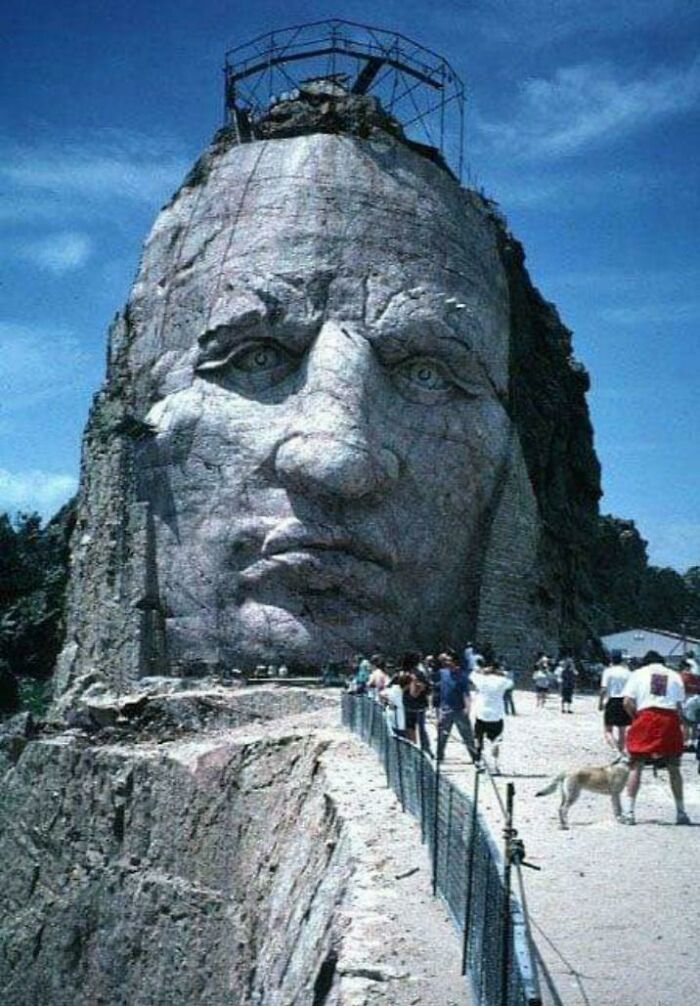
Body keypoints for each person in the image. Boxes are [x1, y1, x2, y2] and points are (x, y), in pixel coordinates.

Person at [621, 651, 690, 825]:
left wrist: (636, 718)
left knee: (636, 766)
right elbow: (678, 706)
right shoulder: (674, 675)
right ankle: (681, 812)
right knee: (674, 768)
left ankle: (629, 812)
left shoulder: (638, 674)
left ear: (645, 662)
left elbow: (627, 702)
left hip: (646, 716)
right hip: (669, 719)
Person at [469, 659, 511, 774]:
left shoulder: (481, 679)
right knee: (495, 742)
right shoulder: (502, 681)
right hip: (496, 714)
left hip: (481, 713)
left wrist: (482, 671)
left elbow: (472, 674)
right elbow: (510, 682)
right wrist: (500, 673)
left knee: (478, 739)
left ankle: (479, 763)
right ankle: (494, 766)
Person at [435, 651, 478, 763]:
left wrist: (467, 709)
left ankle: (475, 757)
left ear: (455, 662)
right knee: (442, 735)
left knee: (467, 735)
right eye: (446, 660)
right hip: (445, 710)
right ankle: (439, 756)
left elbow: (466, 694)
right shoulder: (442, 673)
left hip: (459, 710)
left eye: (449, 660)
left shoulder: (462, 676)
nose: (447, 662)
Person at [401, 653, 434, 757]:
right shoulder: (419, 673)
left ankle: (413, 750)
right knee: (421, 728)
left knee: (410, 728)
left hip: (408, 704)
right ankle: (426, 750)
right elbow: (428, 688)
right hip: (419, 705)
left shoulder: (404, 673)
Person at [599, 650, 631, 752]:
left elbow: (603, 689)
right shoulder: (628, 672)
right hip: (624, 700)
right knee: (622, 730)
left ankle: (615, 749)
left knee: (608, 730)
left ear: (611, 659)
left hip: (612, 700)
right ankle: (621, 751)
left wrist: (600, 702)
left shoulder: (608, 671)